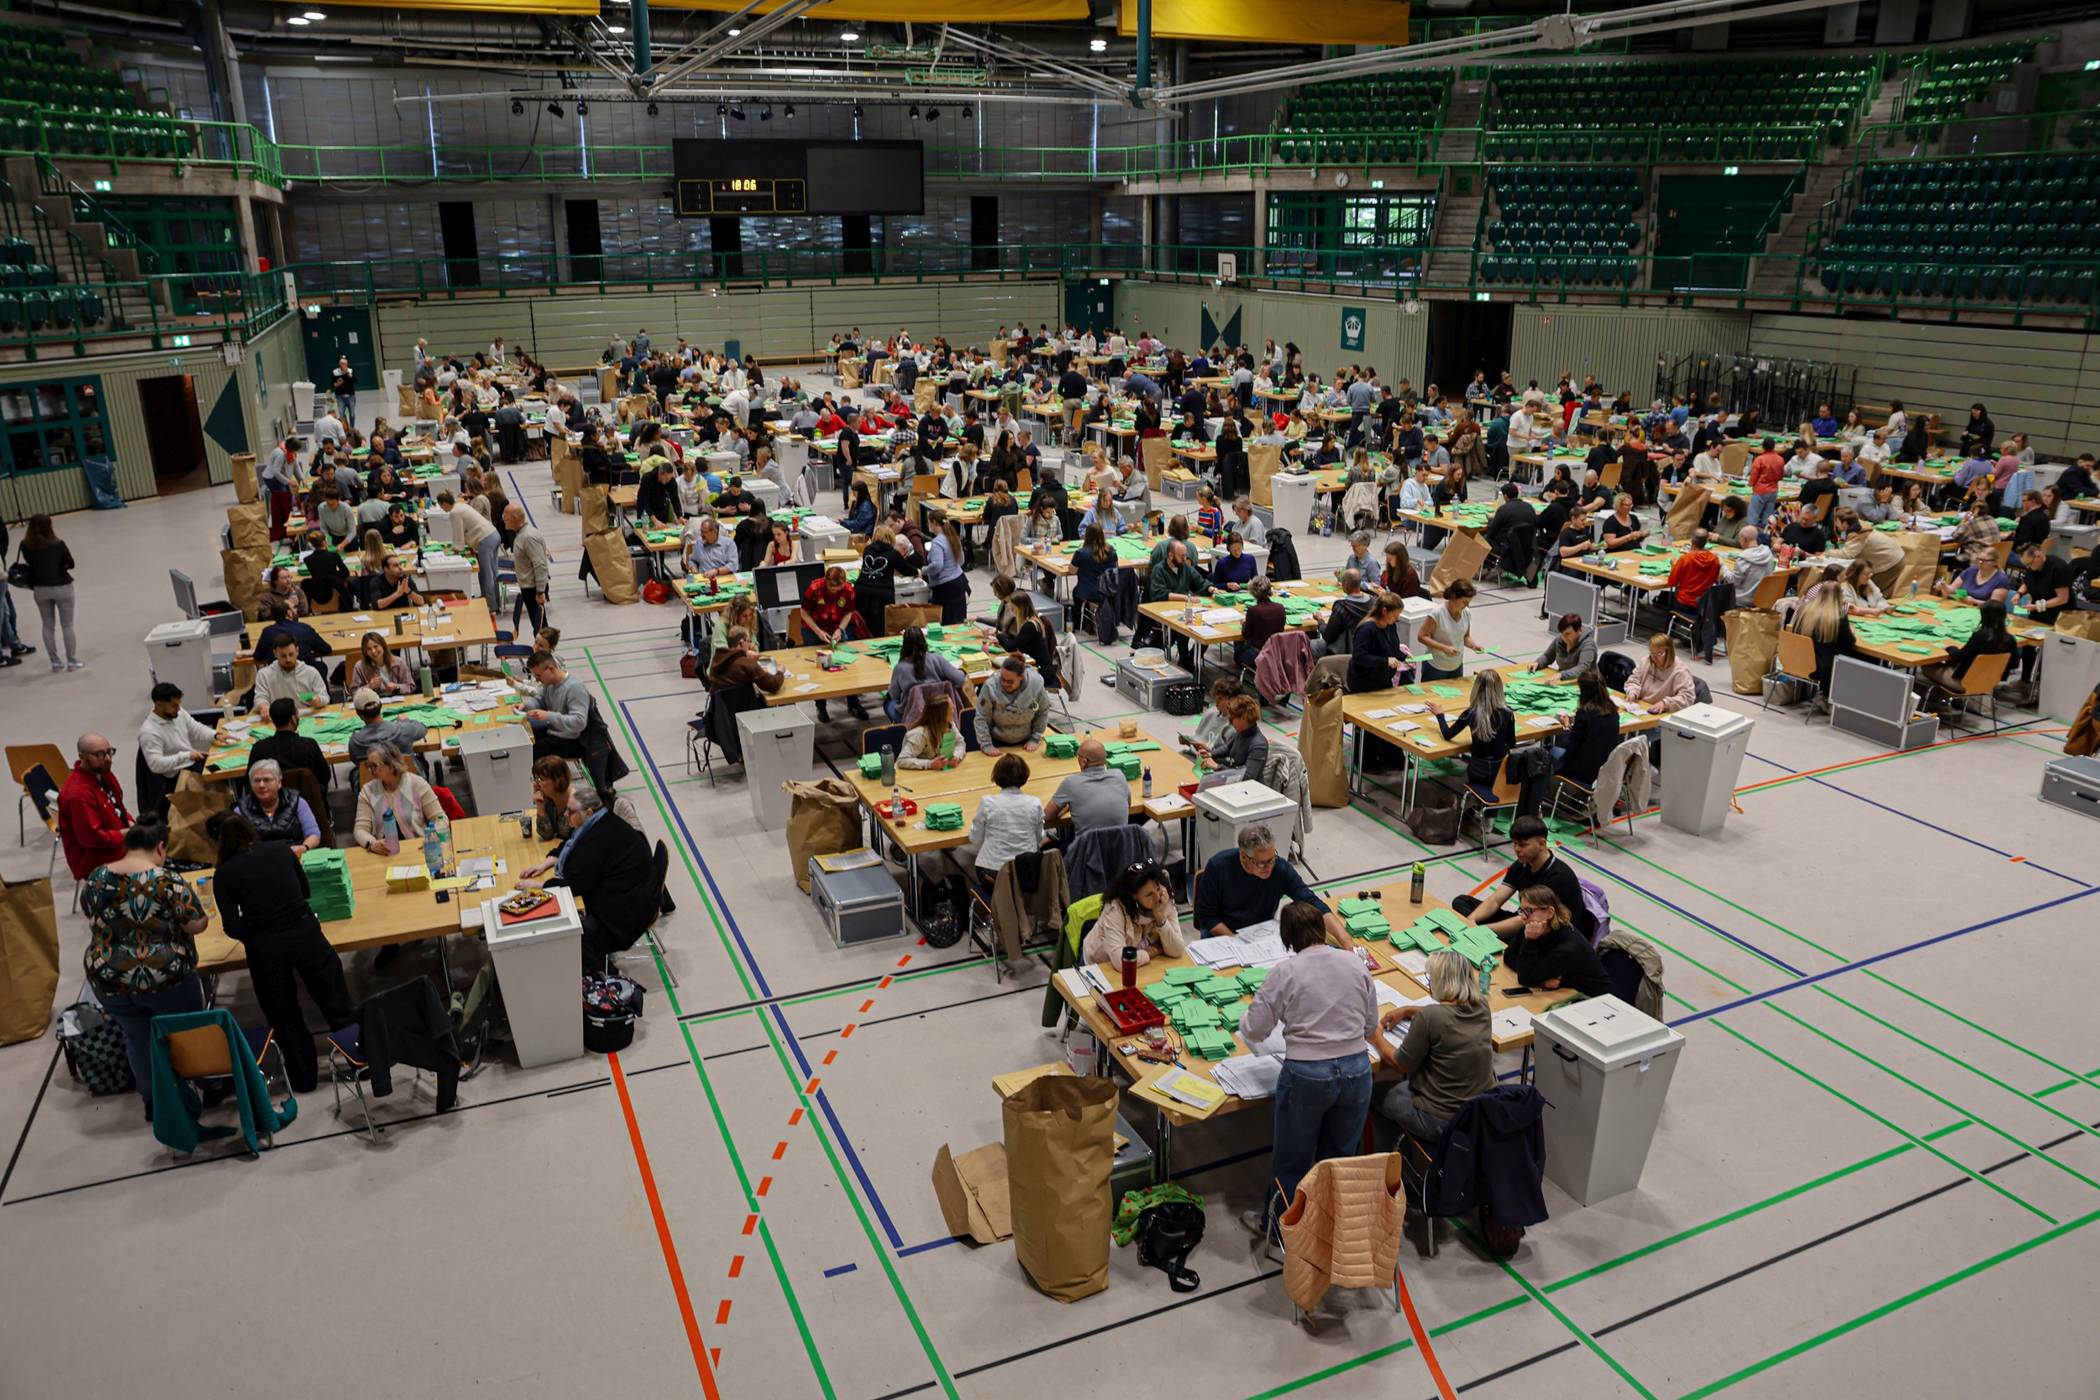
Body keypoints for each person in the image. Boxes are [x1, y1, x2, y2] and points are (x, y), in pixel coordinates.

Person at [1237, 899, 1380, 1242]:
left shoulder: (1286, 972)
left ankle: (1281, 1229)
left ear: (1287, 939)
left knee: (1292, 1159)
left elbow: (1254, 1029)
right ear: (1321, 928)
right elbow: (1370, 1024)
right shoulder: (1355, 964)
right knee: (1339, 1157)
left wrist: (1248, 1016)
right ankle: (1329, 1227)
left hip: (1307, 1075)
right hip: (1357, 1071)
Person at [209, 813, 353, 1092]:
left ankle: (304, 1078)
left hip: (266, 948)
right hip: (305, 932)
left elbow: (231, 926)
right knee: (336, 999)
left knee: (284, 1015)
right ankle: (364, 1059)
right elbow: (305, 890)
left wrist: (256, 933)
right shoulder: (279, 850)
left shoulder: (225, 873)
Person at [79, 819, 209, 1121]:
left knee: (138, 1038)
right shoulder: (167, 880)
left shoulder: (97, 878)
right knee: (188, 1032)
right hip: (165, 977)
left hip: (110, 979)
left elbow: (90, 912)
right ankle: (208, 1082)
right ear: (160, 847)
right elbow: (194, 923)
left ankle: (154, 1100)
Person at [519, 784, 658, 970]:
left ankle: (603, 974)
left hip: (623, 916)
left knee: (565, 931)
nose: (566, 815)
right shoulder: (599, 823)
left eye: (571, 811)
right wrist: (545, 864)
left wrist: (539, 885)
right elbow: (570, 844)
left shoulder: (599, 838)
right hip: (630, 896)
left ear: (589, 813)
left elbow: (575, 884)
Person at [1376, 948, 1493, 1146]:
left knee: (1376, 1094)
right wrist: (1408, 1010)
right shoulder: (1482, 1005)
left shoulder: (1430, 1017)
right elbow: (1450, 1012)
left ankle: (1397, 1157)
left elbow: (1400, 1064)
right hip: (1477, 1111)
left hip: (1442, 1118)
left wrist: (1375, 1036)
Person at [1452, 814, 1595, 941]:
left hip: (1547, 933)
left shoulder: (1558, 878)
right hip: (1524, 919)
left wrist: (1482, 931)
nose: (1517, 849)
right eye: (1514, 843)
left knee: (1520, 944)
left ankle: (1488, 939)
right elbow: (1496, 900)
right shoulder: (1523, 864)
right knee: (1461, 902)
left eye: (1523, 845)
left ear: (1542, 844)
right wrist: (1470, 921)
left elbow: (1526, 921)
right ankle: (1488, 937)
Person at [1193, 824, 1345, 942]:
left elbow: (1312, 903)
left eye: (1272, 859)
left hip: (1262, 934)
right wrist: (1236, 941)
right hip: (1222, 935)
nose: (1269, 867)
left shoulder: (1280, 868)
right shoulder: (1219, 867)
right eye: (1262, 863)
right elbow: (1207, 918)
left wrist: (1346, 942)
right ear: (1244, 857)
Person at [960, 752, 1044, 889]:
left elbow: (975, 839)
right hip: (1026, 871)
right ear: (1025, 776)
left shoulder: (988, 802)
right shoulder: (1035, 803)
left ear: (996, 776)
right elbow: (1039, 838)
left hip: (993, 871)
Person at [1081, 860, 1185, 967]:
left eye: (1157, 889)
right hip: (1101, 964)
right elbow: (1121, 962)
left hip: (1141, 963)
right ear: (1134, 896)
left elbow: (1177, 950)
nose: (1157, 897)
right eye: (1149, 895)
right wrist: (1151, 951)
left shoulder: (1164, 898)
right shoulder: (1115, 908)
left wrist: (1160, 918)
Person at [1426, 667, 1515, 791]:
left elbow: (1447, 734)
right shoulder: (1508, 713)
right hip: (1500, 770)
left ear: (1476, 689)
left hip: (1478, 770)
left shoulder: (1471, 713)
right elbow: (1511, 743)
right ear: (1499, 689)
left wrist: (1440, 716)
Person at [1918, 601, 2018, 708]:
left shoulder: (1980, 636)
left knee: (1927, 665)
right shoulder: (2010, 639)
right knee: (1951, 664)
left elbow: (1958, 656)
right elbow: (2014, 664)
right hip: (1991, 682)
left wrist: (1950, 648)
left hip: (1964, 682)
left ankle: (1938, 698)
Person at [18, 513, 82, 671]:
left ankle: (55, 662)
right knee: (67, 625)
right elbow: (71, 563)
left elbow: (29, 563)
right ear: (49, 526)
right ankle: (72, 661)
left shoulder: (25, 545)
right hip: (62, 587)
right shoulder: (58, 544)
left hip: (40, 588)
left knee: (47, 625)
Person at [352, 744, 443, 853]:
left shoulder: (417, 784)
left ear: (391, 764)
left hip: (418, 849)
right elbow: (360, 830)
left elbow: (440, 818)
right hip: (384, 853)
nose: (371, 771)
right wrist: (372, 843)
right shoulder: (368, 791)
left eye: (374, 766)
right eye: (368, 766)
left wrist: (432, 837)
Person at [232, 758, 322, 853]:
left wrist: (304, 847)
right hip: (259, 860)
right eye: (256, 781)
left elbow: (314, 834)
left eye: (267, 780)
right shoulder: (240, 810)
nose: (261, 785)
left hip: (293, 856)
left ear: (279, 782)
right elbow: (235, 845)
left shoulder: (297, 802)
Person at [1553, 668, 1621, 787]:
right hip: (1607, 768)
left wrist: (1567, 726)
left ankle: (1546, 791)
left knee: (1553, 752)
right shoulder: (1613, 711)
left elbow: (1571, 746)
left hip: (1585, 771)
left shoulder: (1585, 713)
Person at [247, 697, 329, 796]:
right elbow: (325, 776)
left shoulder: (259, 748)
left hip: (271, 803)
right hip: (309, 802)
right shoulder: (309, 745)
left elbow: (249, 780)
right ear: (293, 719)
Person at [1789, 579, 1855, 698]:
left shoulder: (1804, 609)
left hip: (1796, 661)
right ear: (1840, 596)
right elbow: (1849, 643)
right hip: (1821, 668)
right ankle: (1830, 695)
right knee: (1854, 657)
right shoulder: (1838, 616)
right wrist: (1851, 631)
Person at [139, 682, 215, 785]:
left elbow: (195, 728)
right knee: (223, 781)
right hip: (177, 777)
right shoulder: (149, 732)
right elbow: (156, 765)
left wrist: (215, 735)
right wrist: (187, 756)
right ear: (159, 704)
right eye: (174, 705)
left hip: (191, 763)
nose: (179, 709)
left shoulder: (177, 713)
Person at [976, 655, 1049, 754]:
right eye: (1003, 679)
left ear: (1021, 677)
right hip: (996, 742)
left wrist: (1035, 738)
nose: (1005, 684)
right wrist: (986, 744)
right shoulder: (990, 686)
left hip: (1026, 742)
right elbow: (981, 717)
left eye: (1010, 681)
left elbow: (1042, 712)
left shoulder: (1036, 686)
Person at [1346, 592, 1415, 693]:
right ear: (1384, 611)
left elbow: (1393, 649)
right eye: (1395, 615)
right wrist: (1386, 661)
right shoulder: (1366, 629)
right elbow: (1360, 657)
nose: (1397, 618)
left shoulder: (1391, 625)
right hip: (1364, 683)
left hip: (1383, 680)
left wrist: (1404, 657)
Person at [347, 687, 427, 769]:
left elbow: (357, 762)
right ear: (381, 706)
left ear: (358, 713)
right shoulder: (403, 729)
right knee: (421, 762)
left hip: (372, 780)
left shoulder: (354, 742)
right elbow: (423, 729)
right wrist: (405, 721)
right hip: (406, 779)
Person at [251, 636, 327, 715]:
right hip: (278, 718)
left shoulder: (310, 672)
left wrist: (317, 700)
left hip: (305, 716)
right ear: (275, 654)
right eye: (283, 656)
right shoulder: (264, 674)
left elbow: (324, 696)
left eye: (291, 654)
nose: (288, 659)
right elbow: (260, 698)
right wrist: (264, 706)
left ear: (297, 651)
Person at [1623, 632, 1697, 714]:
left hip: (1660, 713)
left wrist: (1665, 703)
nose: (1654, 658)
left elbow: (1688, 697)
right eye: (1652, 653)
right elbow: (1634, 680)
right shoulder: (1646, 661)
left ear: (1669, 653)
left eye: (1659, 654)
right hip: (1641, 706)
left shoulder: (1681, 671)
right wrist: (1632, 692)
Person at [1416, 579, 1475, 681]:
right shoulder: (1437, 613)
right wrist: (1444, 648)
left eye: (1468, 602)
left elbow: (1466, 636)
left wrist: (1473, 645)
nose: (1466, 605)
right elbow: (1422, 637)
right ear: (1454, 597)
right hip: (1436, 666)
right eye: (1464, 602)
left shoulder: (1466, 613)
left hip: (1456, 666)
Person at [505, 503, 550, 635]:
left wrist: (540, 591)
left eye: (506, 517)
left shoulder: (528, 537)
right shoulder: (522, 535)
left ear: (515, 519)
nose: (504, 520)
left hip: (533, 589)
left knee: (540, 627)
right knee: (538, 626)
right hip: (529, 587)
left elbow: (540, 564)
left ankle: (544, 653)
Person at [922, 511, 970, 624]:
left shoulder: (937, 542)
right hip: (960, 581)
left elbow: (937, 566)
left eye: (929, 523)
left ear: (934, 523)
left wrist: (924, 570)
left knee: (947, 623)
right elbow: (962, 561)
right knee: (959, 620)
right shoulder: (953, 537)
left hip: (946, 588)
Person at [1719, 524, 1775, 603]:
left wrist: (1723, 565)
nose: (1739, 541)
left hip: (1742, 600)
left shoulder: (1743, 559)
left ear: (1744, 539)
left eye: (1740, 539)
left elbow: (1733, 581)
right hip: (1763, 600)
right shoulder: (1768, 553)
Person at [1533, 613, 1597, 680]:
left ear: (1579, 631)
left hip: (1587, 683)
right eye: (1562, 633)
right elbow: (1547, 656)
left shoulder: (1588, 645)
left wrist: (1561, 675)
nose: (1564, 637)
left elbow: (1582, 668)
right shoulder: (1559, 639)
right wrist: (1538, 663)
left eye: (1568, 634)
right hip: (1564, 682)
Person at [349, 631, 416, 696]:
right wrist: (369, 686)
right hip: (373, 703)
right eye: (369, 649)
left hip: (397, 699)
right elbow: (353, 692)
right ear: (365, 652)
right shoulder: (359, 667)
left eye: (376, 646)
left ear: (383, 646)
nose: (373, 651)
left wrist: (397, 687)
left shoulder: (399, 663)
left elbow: (411, 686)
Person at [1939, 548, 2013, 605]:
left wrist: (1975, 602)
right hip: (1962, 607)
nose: (1980, 562)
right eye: (1979, 559)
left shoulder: (2001, 579)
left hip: (1983, 613)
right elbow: (1952, 589)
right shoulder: (1971, 571)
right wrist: (1944, 586)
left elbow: (1994, 606)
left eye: (1985, 560)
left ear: (1995, 562)